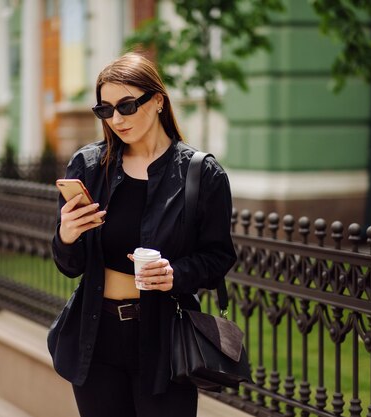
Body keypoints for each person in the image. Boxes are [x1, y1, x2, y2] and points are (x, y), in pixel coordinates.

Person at [48, 52, 237, 417]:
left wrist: (174, 275)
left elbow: (218, 258)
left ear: (158, 101)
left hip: (164, 341)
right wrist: (66, 237)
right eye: (105, 109)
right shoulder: (89, 167)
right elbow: (70, 266)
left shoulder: (202, 174)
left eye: (128, 105)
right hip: (96, 338)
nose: (116, 119)